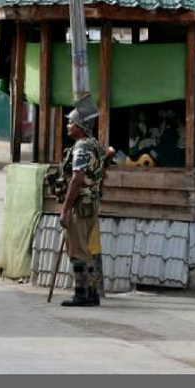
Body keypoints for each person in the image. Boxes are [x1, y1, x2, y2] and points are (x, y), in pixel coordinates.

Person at [57, 108, 116, 307]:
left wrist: (65, 209)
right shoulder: (94, 145)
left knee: (77, 251)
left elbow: (77, 179)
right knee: (85, 250)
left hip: (79, 206)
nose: (68, 125)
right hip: (92, 204)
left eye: (71, 122)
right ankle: (91, 293)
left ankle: (82, 294)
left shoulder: (81, 147)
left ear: (80, 127)